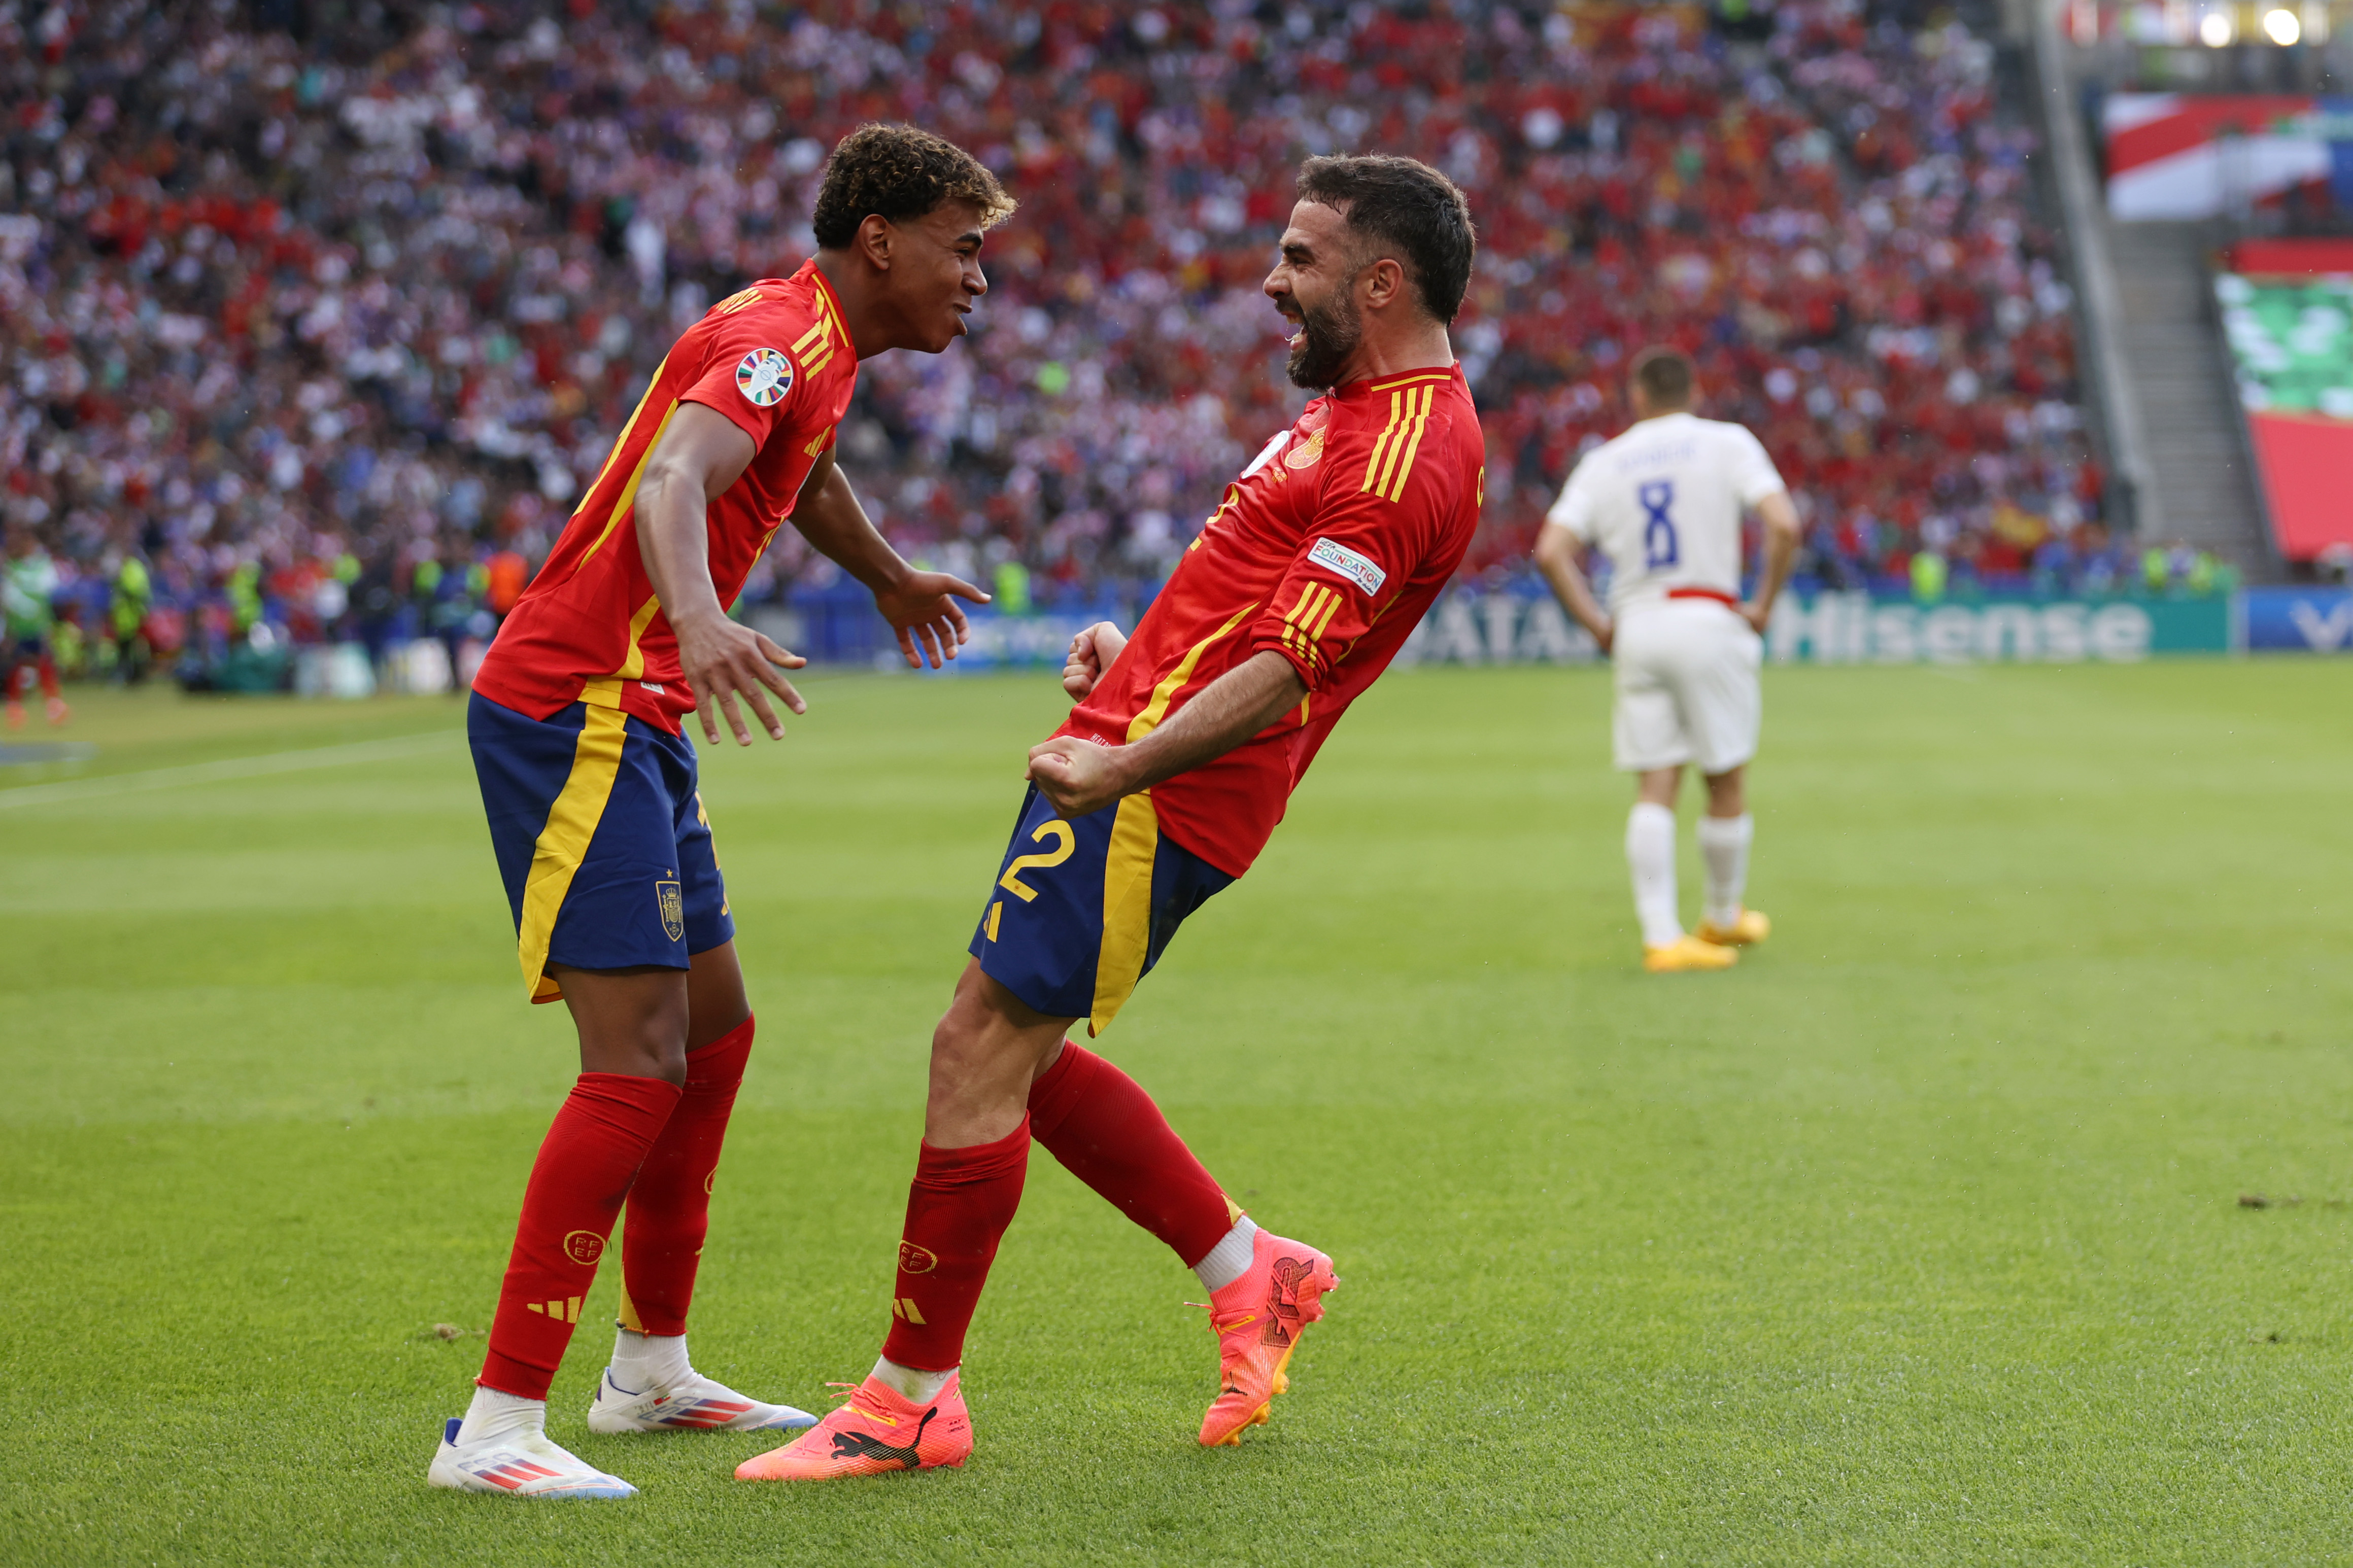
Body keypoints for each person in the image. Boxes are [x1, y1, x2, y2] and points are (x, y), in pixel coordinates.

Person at [736, 153, 1485, 1482]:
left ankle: (911, 1400)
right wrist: (1129, 660)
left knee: (976, 1051)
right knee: (999, 1049)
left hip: (1163, 794)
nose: (1271, 282)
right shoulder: (1356, 410)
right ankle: (1248, 1269)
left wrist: (1130, 759)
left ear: (1380, 283)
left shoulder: (1404, 448)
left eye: (1299, 259)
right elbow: (1245, 605)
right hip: (1133, 753)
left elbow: (1288, 668)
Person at [431, 123, 1010, 1500]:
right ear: (880, 238)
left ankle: (648, 1370)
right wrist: (696, 618)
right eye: (963, 247)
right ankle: (496, 1425)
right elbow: (674, 477)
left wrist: (885, 575)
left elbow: (798, 469)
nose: (978, 278)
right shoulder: (772, 338)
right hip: (578, 704)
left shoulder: (818, 350)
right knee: (634, 1061)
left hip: (638, 714)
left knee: (713, 1029)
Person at [1532, 347, 1801, 973]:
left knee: (1655, 781)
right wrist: (1762, 602)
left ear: (1637, 396)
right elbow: (1784, 525)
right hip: (1708, 616)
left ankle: (1661, 938)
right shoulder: (1726, 442)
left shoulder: (1605, 460)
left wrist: (1597, 626)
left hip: (1638, 624)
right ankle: (1722, 916)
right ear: (1694, 393)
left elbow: (1549, 551)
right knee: (1724, 777)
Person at [3, 527, 68, 729]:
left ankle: (53, 704)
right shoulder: (13, 569)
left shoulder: (41, 567)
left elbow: (52, 588)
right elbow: (8, 598)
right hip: (20, 626)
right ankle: (15, 706)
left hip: (39, 624)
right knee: (19, 665)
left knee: (44, 662)